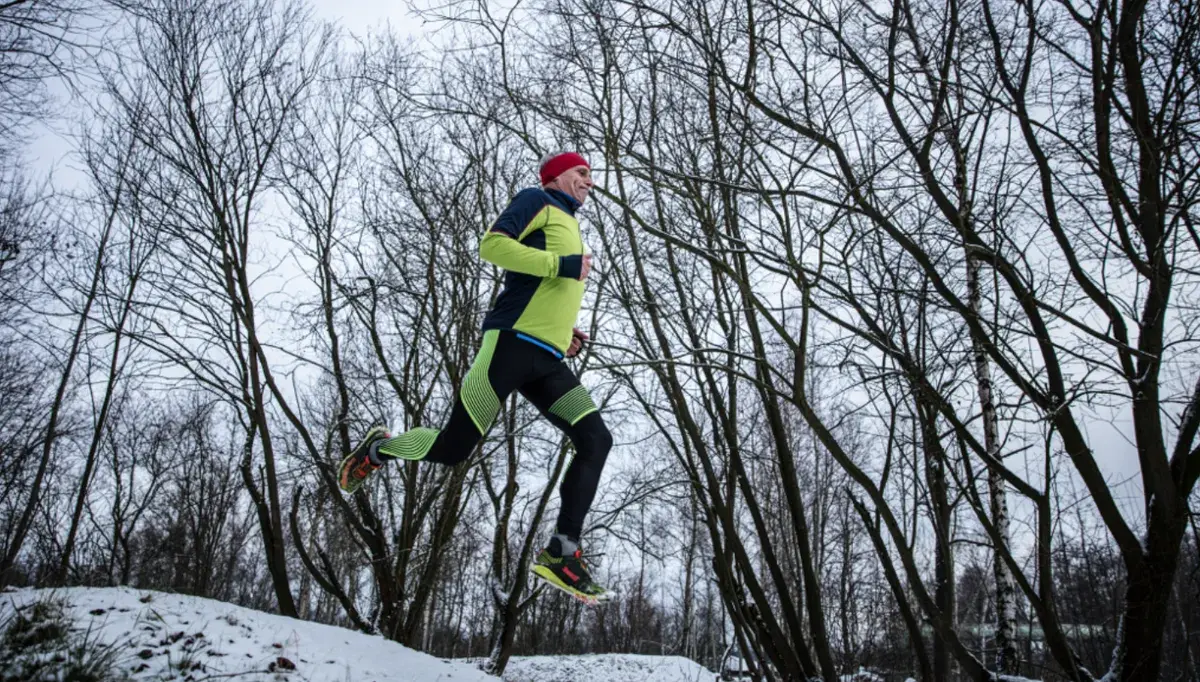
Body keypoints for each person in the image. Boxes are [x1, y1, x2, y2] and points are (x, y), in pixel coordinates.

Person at [336, 151, 613, 604]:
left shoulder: (570, 223)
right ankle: (379, 449)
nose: (590, 181)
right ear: (557, 175)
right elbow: (492, 246)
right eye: (582, 172)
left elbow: (544, 294)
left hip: (547, 361)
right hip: (509, 348)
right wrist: (560, 266)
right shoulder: (537, 200)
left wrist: (564, 335)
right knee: (453, 448)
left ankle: (562, 552)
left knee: (596, 439)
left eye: (590, 175)